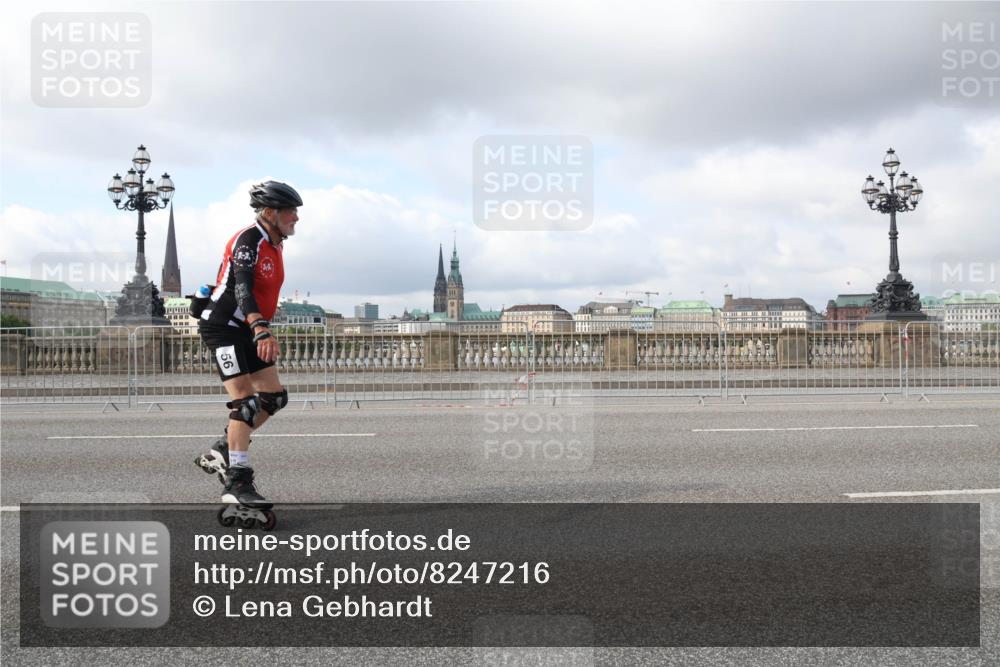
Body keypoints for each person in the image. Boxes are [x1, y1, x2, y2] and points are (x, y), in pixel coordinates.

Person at [194, 180, 302, 508]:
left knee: (274, 397)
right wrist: (259, 327)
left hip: (247, 327)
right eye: (291, 212)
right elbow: (242, 287)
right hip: (225, 327)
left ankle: (226, 447)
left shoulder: (276, 243)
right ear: (269, 212)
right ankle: (237, 481)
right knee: (245, 403)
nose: (296, 218)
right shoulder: (249, 239)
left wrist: (260, 324)